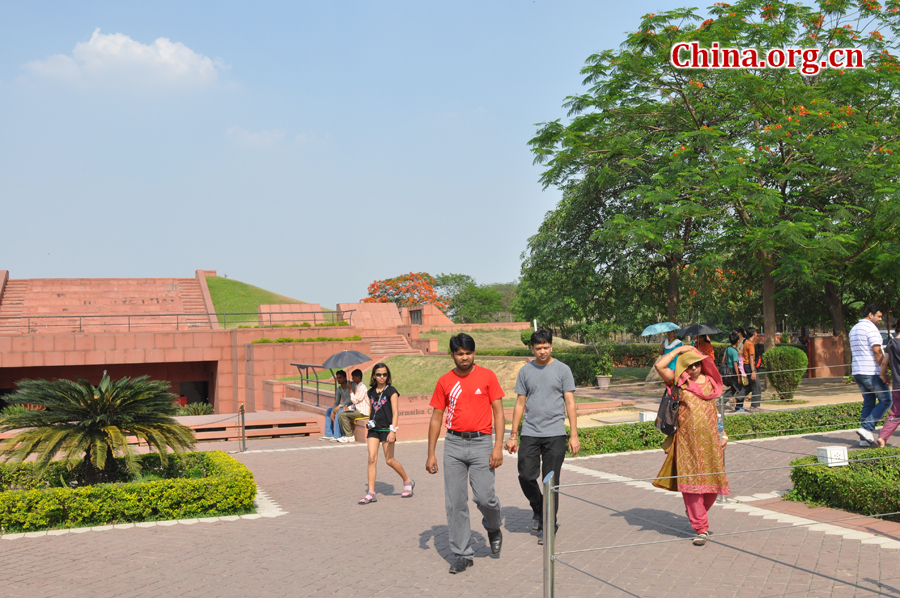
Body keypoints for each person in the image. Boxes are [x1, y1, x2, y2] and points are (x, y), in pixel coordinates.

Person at [426, 333, 505, 574]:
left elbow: (499, 413)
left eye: (468, 353)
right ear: (452, 355)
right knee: (455, 502)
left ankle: (493, 526)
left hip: (482, 443)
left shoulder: (487, 376)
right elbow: (436, 418)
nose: (464, 357)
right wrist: (431, 453)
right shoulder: (444, 381)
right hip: (453, 445)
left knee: (484, 497)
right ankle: (462, 553)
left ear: (474, 353)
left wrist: (498, 446)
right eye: (459, 353)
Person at [505, 328, 580, 545]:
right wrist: (513, 434)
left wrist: (573, 434)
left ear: (551, 346)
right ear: (532, 348)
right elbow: (520, 403)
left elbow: (570, 403)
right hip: (530, 432)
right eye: (538, 348)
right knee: (526, 476)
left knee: (551, 482)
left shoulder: (563, 370)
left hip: (555, 434)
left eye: (546, 347)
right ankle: (538, 507)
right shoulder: (525, 371)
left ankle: (549, 525)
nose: (543, 351)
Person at [652, 345, 730, 546]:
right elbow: (659, 365)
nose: (694, 368)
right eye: (689, 365)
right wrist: (678, 351)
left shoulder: (711, 383)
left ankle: (696, 512)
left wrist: (722, 433)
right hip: (686, 442)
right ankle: (701, 528)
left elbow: (716, 412)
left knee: (713, 487)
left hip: (711, 441)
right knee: (692, 487)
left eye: (697, 364)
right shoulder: (678, 382)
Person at [358, 363, 414, 505]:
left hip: (387, 430)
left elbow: (395, 412)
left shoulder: (391, 391)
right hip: (374, 429)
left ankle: (408, 481)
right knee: (371, 459)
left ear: (387, 376)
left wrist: (393, 431)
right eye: (378, 374)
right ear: (374, 376)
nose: (382, 377)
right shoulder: (370, 392)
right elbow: (372, 411)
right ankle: (371, 493)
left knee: (389, 460)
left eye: (384, 374)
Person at [849, 304, 892, 447]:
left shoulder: (854, 329)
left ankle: (863, 439)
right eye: (879, 316)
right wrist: (884, 372)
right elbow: (877, 351)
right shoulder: (871, 329)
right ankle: (866, 428)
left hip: (857, 371)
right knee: (886, 400)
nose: (880, 319)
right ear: (870, 315)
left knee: (869, 402)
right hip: (870, 371)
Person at [877, 320, 900, 448]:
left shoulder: (891, 344)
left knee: (895, 413)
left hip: (897, 386)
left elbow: (884, 362)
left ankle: (882, 437)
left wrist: (882, 376)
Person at [337, 369, 370, 443]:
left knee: (342, 414)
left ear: (358, 377)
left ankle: (349, 436)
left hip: (363, 412)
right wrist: (348, 407)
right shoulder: (357, 387)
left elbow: (355, 400)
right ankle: (346, 435)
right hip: (357, 410)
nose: (352, 379)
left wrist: (350, 390)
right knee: (342, 412)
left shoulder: (362, 387)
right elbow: (355, 403)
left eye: (354, 377)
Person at [321, 370, 352, 441]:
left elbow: (351, 399)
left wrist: (339, 406)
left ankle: (337, 435)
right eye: (337, 378)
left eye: (340, 377)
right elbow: (336, 402)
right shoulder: (339, 389)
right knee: (329, 410)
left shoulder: (351, 385)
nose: (338, 379)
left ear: (345, 378)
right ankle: (328, 434)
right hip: (343, 406)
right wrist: (332, 411)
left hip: (352, 407)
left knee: (339, 411)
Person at [736, 328, 761, 412]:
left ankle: (739, 397)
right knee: (757, 386)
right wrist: (753, 371)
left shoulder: (745, 342)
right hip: (750, 366)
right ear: (754, 334)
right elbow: (751, 357)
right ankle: (754, 406)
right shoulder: (750, 344)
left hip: (746, 366)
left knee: (750, 386)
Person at [721, 333, 743, 410]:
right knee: (739, 389)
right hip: (733, 371)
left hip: (727, 371)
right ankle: (738, 407)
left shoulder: (728, 348)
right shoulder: (734, 352)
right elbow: (735, 364)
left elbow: (724, 358)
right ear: (737, 341)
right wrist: (738, 376)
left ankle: (722, 401)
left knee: (733, 388)